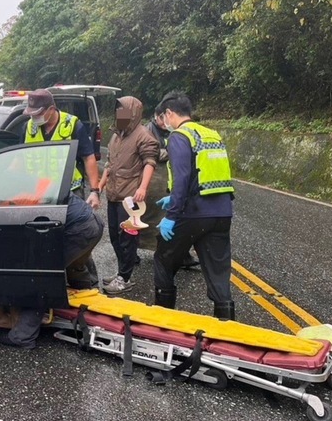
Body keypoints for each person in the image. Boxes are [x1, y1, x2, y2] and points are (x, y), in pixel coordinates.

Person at [0, 88, 105, 349]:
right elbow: (19, 159)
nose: (33, 118)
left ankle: (24, 334)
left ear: (51, 109)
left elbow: (89, 158)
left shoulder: (71, 124)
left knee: (44, 270)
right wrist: (0, 176)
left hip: (67, 195)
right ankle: (85, 292)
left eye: (37, 114)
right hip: (48, 197)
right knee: (66, 253)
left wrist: (95, 190)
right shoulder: (31, 129)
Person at [152, 92, 236, 320]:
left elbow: (182, 178)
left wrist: (172, 213)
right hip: (221, 213)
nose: (164, 123)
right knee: (218, 272)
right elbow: (206, 173)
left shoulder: (180, 137)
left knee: (163, 258)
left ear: (169, 113)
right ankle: (226, 326)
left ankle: (162, 320)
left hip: (194, 213)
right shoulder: (211, 134)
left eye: (163, 117)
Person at [97, 96, 159, 294]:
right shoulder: (117, 135)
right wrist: (100, 184)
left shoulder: (144, 136)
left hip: (131, 198)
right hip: (114, 195)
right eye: (118, 112)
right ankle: (121, 272)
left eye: (123, 111)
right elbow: (109, 164)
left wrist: (143, 188)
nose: (119, 115)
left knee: (128, 238)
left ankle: (125, 277)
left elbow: (150, 162)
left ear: (133, 113)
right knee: (115, 236)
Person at [145, 107, 200, 269]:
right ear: (156, 117)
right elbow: (151, 152)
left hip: (171, 179)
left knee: (174, 216)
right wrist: (174, 151)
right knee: (155, 218)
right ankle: (162, 255)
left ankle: (180, 254)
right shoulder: (149, 130)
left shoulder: (177, 131)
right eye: (161, 119)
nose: (164, 123)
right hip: (157, 179)